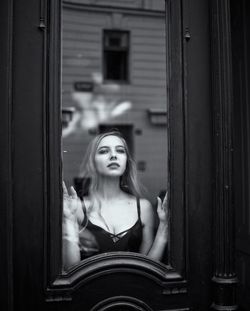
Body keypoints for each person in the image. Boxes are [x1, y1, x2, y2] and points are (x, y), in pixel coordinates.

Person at [62, 131, 169, 270]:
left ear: (126, 162)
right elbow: (71, 269)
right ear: (92, 162)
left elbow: (148, 269)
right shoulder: (75, 207)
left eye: (120, 151)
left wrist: (164, 227)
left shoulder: (143, 207)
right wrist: (68, 220)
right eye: (104, 151)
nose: (113, 155)